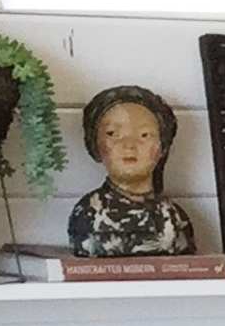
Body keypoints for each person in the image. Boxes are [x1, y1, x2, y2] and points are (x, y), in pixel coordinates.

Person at [66, 85, 196, 256]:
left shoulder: (175, 217)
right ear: (95, 145)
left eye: (144, 135)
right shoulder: (89, 214)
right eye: (113, 133)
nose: (129, 145)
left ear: (162, 147)